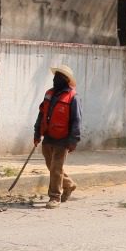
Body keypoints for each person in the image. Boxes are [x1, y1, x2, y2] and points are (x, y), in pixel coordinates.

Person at [33, 63, 82, 208]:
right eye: (55, 76)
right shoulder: (49, 93)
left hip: (63, 138)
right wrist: (37, 133)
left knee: (56, 168)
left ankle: (55, 197)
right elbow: (41, 114)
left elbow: (77, 120)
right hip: (48, 136)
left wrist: (73, 140)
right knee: (51, 165)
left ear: (66, 80)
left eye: (59, 77)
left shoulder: (73, 97)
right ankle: (69, 184)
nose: (56, 79)